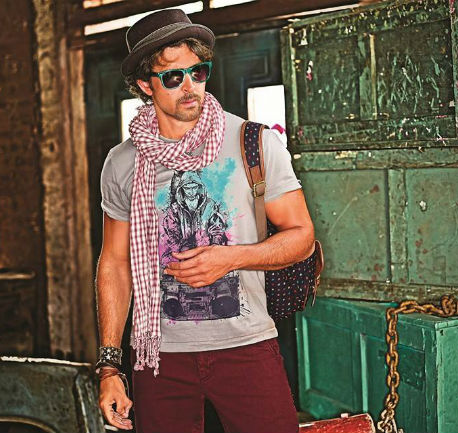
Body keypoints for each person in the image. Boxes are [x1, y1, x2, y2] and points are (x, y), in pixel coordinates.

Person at [95, 8, 315, 433]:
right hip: (157, 357)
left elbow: (302, 237)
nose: (190, 87)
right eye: (173, 77)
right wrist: (109, 367)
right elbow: (115, 263)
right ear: (145, 85)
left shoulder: (254, 143)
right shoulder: (122, 163)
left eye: (198, 72)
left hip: (246, 345)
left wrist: (230, 258)